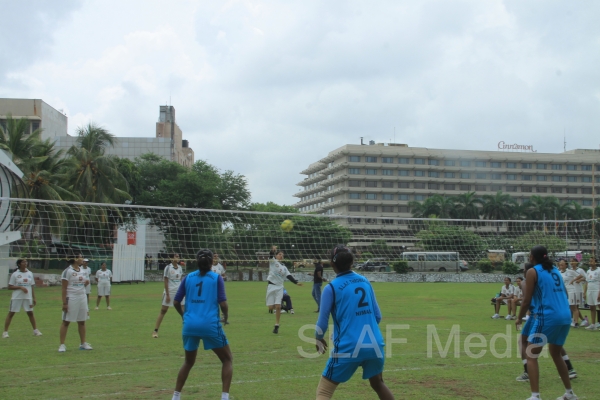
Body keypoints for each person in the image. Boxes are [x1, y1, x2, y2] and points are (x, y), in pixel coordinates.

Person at [314, 245, 394, 400]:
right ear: (352, 262)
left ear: (332, 263)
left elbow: (322, 323)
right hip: (374, 343)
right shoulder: (365, 281)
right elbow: (377, 316)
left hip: (348, 345)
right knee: (378, 383)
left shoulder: (331, 288)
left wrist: (318, 338)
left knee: (324, 392)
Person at [516, 245, 576, 400]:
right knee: (556, 353)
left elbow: (526, 300)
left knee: (531, 354)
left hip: (548, 316)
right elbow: (565, 292)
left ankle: (535, 396)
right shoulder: (555, 270)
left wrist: (519, 318)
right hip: (565, 315)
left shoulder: (533, 271)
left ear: (532, 257)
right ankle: (569, 393)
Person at [171, 249, 232, 400]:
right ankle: (224, 397)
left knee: (188, 362)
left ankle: (176, 396)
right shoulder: (216, 278)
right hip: (209, 324)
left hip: (190, 325)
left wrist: (184, 316)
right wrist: (225, 316)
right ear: (212, 262)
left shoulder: (188, 277)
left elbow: (176, 302)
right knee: (227, 360)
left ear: (196, 262)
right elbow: (223, 303)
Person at [59, 254, 92, 352]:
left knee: (82, 321)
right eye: (81, 257)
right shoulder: (67, 271)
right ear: (75, 259)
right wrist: (64, 303)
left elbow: (82, 283)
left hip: (82, 297)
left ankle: (83, 343)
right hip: (71, 298)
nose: (82, 259)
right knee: (66, 322)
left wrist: (85, 283)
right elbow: (64, 288)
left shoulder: (83, 271)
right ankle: (62, 345)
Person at [266, 246, 303, 334]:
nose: (281, 256)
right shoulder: (272, 261)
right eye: (279, 254)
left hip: (279, 287)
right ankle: (284, 307)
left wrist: (296, 282)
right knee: (271, 307)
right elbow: (271, 255)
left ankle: (276, 325)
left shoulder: (284, 267)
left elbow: (289, 276)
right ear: (276, 255)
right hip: (271, 286)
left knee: (278, 307)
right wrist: (272, 250)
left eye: (282, 255)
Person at [3, 259, 42, 338]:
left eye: (26, 262)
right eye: (23, 262)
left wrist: (34, 298)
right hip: (17, 297)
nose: (25, 263)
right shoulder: (15, 274)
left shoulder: (30, 273)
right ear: (19, 264)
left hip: (27, 297)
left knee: (30, 313)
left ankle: (35, 330)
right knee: (11, 313)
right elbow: (10, 287)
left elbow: (32, 286)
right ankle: (5, 332)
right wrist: (20, 287)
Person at [153, 253, 185, 338]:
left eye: (178, 256)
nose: (178, 258)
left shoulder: (180, 268)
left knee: (183, 311)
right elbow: (166, 281)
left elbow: (181, 280)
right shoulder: (168, 267)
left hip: (179, 292)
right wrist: (167, 295)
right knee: (163, 310)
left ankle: (187, 330)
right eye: (176, 256)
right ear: (171, 258)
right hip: (170, 291)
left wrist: (183, 292)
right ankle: (155, 331)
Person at [558, 259, 583, 328]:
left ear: (566, 265)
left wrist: (573, 280)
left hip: (571, 290)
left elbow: (580, 275)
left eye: (562, 263)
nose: (561, 264)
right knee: (564, 307)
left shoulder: (570, 271)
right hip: (562, 291)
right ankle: (566, 321)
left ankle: (576, 323)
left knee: (573, 307)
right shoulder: (558, 272)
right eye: (560, 263)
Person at [569, 258, 588, 327]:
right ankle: (582, 320)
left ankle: (577, 321)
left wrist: (580, 280)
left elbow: (586, 278)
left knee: (576, 306)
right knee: (573, 306)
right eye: (571, 261)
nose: (572, 263)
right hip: (571, 290)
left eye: (573, 261)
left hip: (578, 290)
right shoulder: (569, 270)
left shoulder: (580, 270)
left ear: (576, 262)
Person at [584, 257, 600, 331]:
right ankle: (593, 324)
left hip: (597, 290)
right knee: (592, 307)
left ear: (596, 262)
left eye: (592, 261)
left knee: (599, 305)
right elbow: (587, 282)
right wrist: (585, 292)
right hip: (590, 290)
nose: (590, 262)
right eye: (589, 261)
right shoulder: (588, 271)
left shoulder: (599, 270)